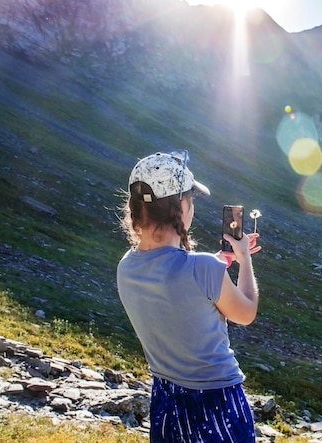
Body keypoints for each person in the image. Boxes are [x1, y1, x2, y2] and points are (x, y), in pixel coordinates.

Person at [116, 151, 261, 443]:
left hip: (165, 404)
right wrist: (244, 259)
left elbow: (177, 291)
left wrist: (213, 268)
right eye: (191, 199)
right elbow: (245, 313)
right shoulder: (204, 268)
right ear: (181, 205)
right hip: (218, 405)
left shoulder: (126, 267)